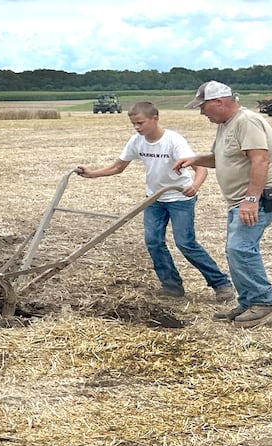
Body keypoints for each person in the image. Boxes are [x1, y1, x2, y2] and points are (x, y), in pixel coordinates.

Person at [77, 101, 234, 302]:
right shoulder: (137, 141)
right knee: (153, 242)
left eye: (140, 123)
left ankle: (221, 284)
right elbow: (118, 167)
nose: (137, 127)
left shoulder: (173, 141)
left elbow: (200, 168)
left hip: (179, 198)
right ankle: (172, 286)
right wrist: (92, 174)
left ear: (155, 118)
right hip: (154, 199)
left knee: (185, 243)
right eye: (134, 124)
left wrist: (194, 186)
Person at [175, 80, 272, 328]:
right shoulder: (227, 124)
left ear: (219, 102)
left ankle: (265, 303)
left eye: (203, 107)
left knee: (241, 249)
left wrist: (250, 200)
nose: (201, 112)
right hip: (240, 199)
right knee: (235, 250)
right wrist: (193, 159)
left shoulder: (246, 121)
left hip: (258, 196)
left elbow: (260, 160)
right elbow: (220, 158)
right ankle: (249, 301)